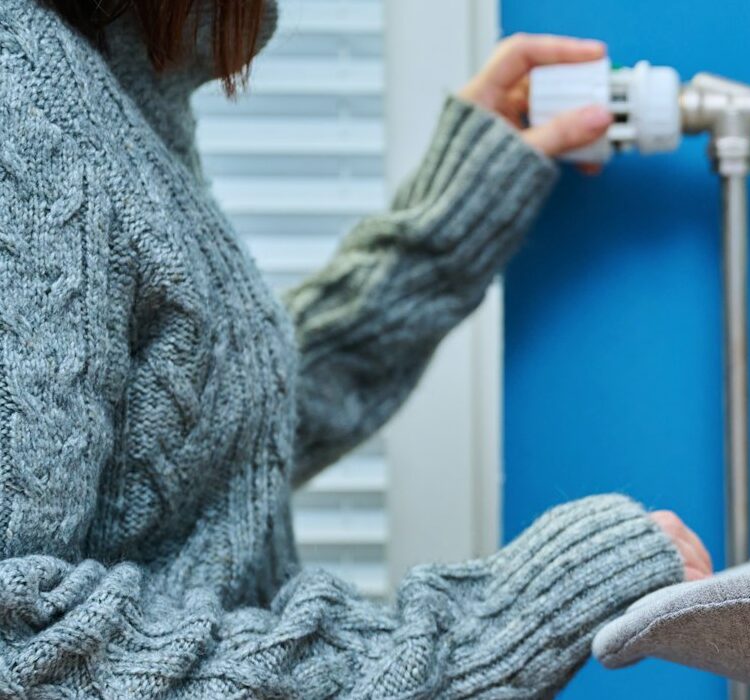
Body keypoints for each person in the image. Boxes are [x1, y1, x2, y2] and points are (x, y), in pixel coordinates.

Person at [0, 0, 713, 695]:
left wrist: (448, 222)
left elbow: (196, 435)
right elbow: (24, 651)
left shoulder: (118, 81)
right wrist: (493, 627)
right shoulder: (20, 95)